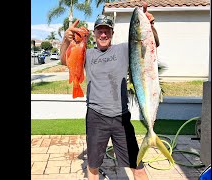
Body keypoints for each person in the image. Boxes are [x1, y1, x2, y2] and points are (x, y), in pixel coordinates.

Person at [60, 4, 159, 180]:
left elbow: (151, 44)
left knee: (138, 166)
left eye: (107, 31)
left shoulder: (124, 49)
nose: (103, 34)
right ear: (95, 34)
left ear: (112, 33)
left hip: (121, 118)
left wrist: (150, 26)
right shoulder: (87, 54)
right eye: (100, 31)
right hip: (96, 117)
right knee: (93, 166)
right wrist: (66, 40)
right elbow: (64, 61)